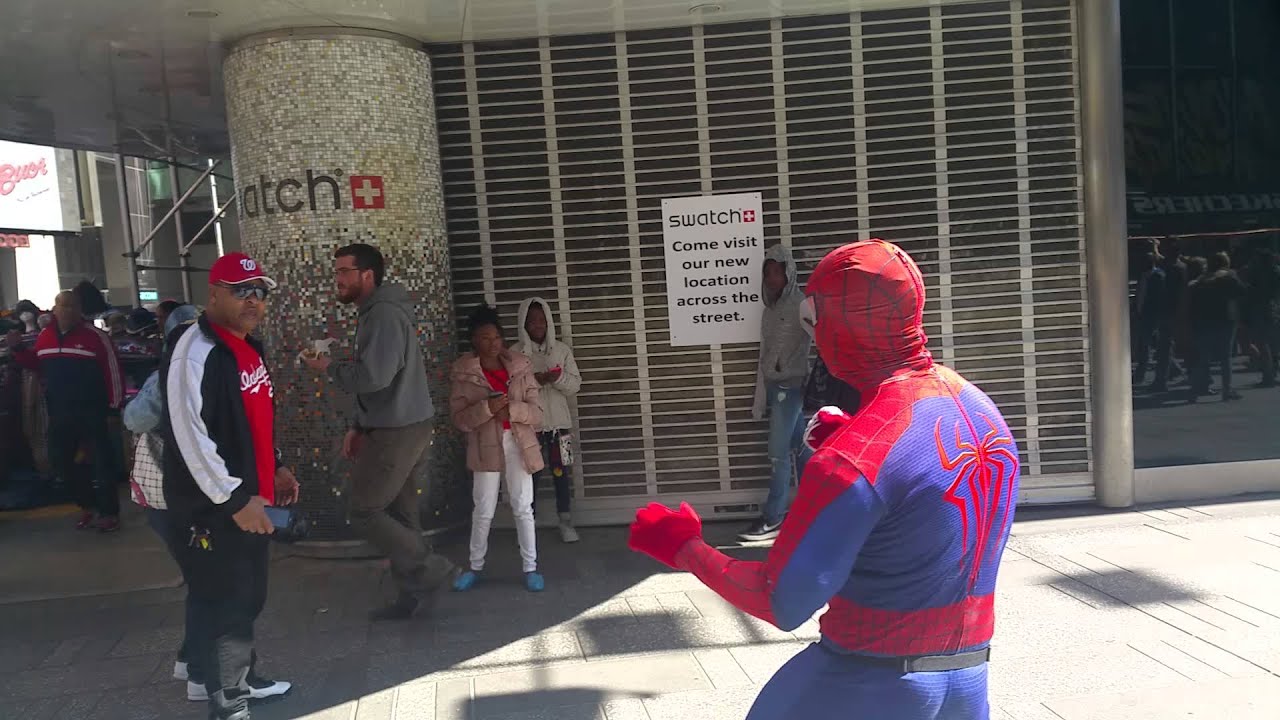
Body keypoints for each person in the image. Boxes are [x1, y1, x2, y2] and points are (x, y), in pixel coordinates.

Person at [628, 240, 1019, 720]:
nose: (811, 334)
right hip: (969, 681)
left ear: (838, 324)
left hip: (864, 684)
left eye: (813, 320)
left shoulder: (851, 459)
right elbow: (926, 499)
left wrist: (684, 546)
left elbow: (780, 599)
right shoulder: (981, 409)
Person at [162, 253, 297, 720]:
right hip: (215, 506)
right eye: (242, 290)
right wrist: (235, 500)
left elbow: (254, 419)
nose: (253, 300)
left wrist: (276, 466)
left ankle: (228, 679)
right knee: (228, 597)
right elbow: (189, 435)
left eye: (260, 291)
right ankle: (227, 699)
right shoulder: (194, 348)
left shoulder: (248, 347)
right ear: (213, 294)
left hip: (249, 496)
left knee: (242, 593)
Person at [301, 243, 457, 621]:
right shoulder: (378, 311)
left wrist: (329, 369)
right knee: (401, 515)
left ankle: (431, 568)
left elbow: (374, 377)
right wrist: (358, 425)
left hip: (396, 431)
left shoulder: (383, 314)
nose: (336, 279)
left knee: (364, 510)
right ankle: (413, 596)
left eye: (343, 272)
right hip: (397, 425)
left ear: (366, 275)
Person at [122, 304, 202, 698]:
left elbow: (133, 419)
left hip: (168, 500)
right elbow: (136, 419)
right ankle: (200, 671)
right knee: (209, 580)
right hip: (181, 498)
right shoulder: (173, 375)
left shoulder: (171, 372)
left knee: (203, 578)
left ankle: (192, 661)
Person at [7, 290, 125, 532]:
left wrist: (114, 408)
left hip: (93, 411)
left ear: (80, 310)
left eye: (72, 306)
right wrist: (18, 350)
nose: (67, 311)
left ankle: (108, 513)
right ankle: (87, 506)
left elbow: (113, 371)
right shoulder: (45, 337)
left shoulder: (96, 337)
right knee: (60, 461)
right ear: (55, 309)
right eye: (63, 306)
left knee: (102, 463)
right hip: (60, 412)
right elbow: (37, 364)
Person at [449, 304, 546, 593]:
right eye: (483, 338)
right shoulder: (464, 372)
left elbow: (537, 413)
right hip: (485, 446)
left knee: (522, 506)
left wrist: (511, 411)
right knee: (483, 509)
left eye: (495, 337)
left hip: (519, 443)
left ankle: (531, 568)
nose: (490, 344)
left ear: (502, 338)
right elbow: (459, 419)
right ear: (474, 341)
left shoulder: (520, 366)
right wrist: (487, 409)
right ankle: (475, 567)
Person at [743, 244, 812, 542]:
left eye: (777, 271)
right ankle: (818, 511)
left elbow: (819, 335)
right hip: (775, 387)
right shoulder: (769, 310)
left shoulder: (801, 304)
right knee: (802, 450)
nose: (772, 278)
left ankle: (773, 518)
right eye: (768, 273)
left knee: (778, 455)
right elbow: (765, 352)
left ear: (789, 272)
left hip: (790, 387)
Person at [511, 297, 583, 544]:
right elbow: (510, 391)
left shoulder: (561, 350)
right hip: (530, 427)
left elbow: (575, 385)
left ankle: (565, 521)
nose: (538, 325)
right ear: (523, 324)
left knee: (563, 473)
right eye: (532, 321)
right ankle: (526, 527)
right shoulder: (514, 353)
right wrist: (536, 382)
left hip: (561, 427)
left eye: (542, 320)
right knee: (529, 476)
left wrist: (558, 378)